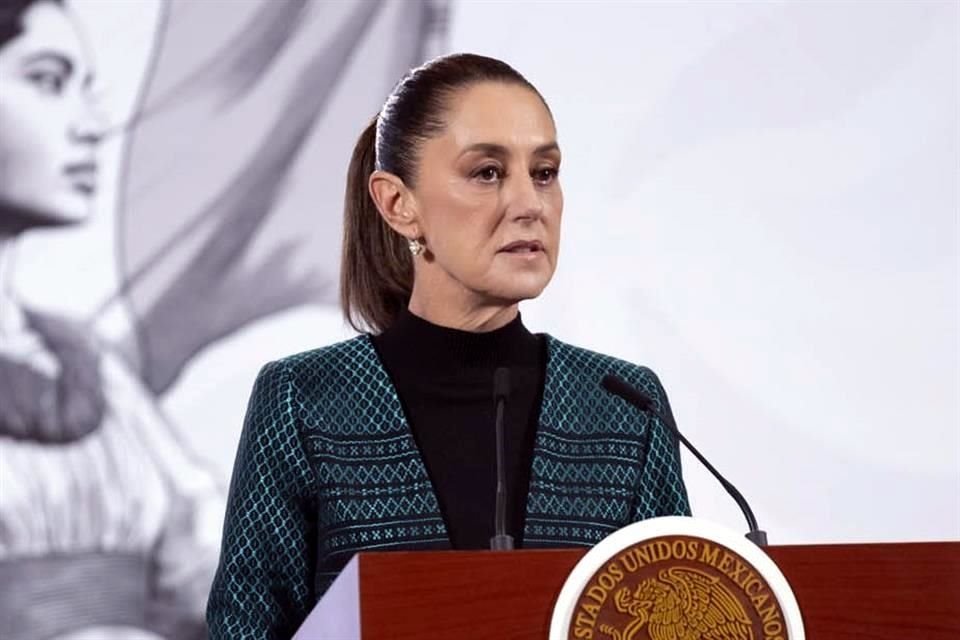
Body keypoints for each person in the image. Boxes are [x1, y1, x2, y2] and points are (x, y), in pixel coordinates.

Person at [207, 52, 690, 639]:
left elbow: (681, 613)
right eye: (487, 172)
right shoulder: (304, 399)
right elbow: (245, 628)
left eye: (544, 172)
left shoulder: (624, 406)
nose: (529, 204)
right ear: (397, 204)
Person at [0, 1, 222, 638]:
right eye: (47, 81)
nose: (93, 125)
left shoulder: (91, 367)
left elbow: (209, 577)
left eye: (88, 91)